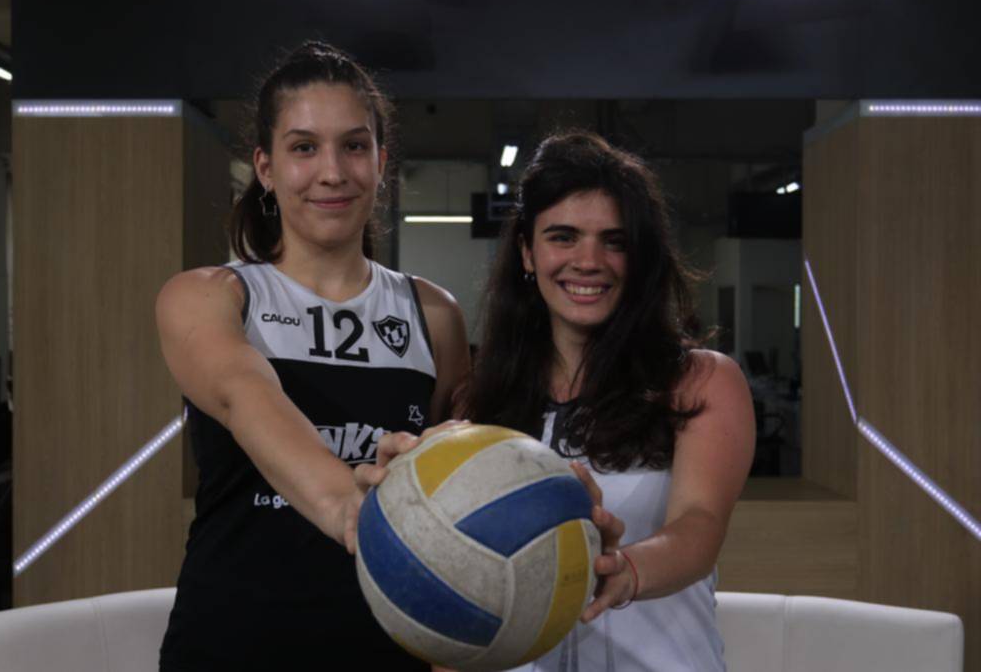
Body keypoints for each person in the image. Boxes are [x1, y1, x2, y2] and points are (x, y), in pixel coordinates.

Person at [156, 42, 470, 671]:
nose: (332, 171)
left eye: (354, 146)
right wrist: (350, 506)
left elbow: (461, 478)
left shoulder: (434, 314)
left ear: (381, 162)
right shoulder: (210, 296)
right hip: (233, 646)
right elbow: (248, 399)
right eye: (303, 147)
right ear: (265, 168)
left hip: (389, 648)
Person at [462, 132, 755, 671]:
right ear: (527, 251)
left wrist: (624, 569)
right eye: (564, 237)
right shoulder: (481, 402)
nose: (589, 261)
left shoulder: (701, 381)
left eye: (614, 241)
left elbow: (699, 524)